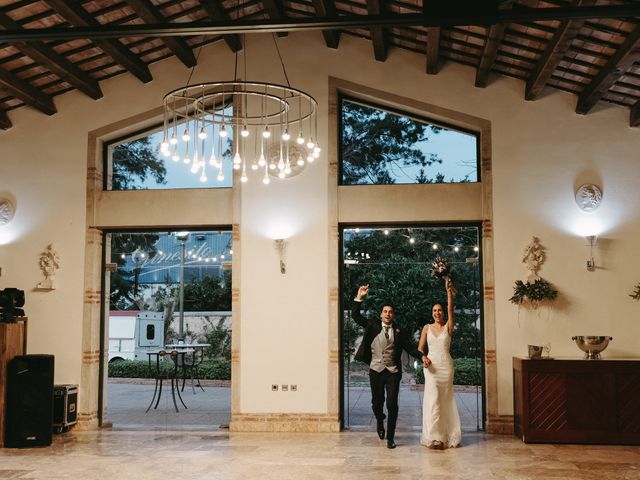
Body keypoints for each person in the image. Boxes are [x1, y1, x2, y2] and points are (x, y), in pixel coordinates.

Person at [352, 284, 425, 449]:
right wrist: (359, 297)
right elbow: (356, 316)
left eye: (390, 312)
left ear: (393, 315)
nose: (388, 314)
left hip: (393, 372)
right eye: (385, 311)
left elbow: (410, 347)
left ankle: (390, 438)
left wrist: (422, 356)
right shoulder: (372, 326)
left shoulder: (399, 330)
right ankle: (379, 420)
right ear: (381, 314)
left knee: (392, 404)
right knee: (377, 403)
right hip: (375, 370)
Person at [418, 278, 462, 449]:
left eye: (440, 310)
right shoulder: (426, 328)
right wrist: (423, 358)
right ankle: (434, 437)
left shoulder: (448, 328)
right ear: (432, 313)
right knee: (434, 399)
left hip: (446, 367)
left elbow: (451, 309)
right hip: (431, 368)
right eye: (434, 310)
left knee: (446, 400)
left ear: (443, 313)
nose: (437, 313)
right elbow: (420, 349)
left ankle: (446, 434)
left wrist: (448, 292)